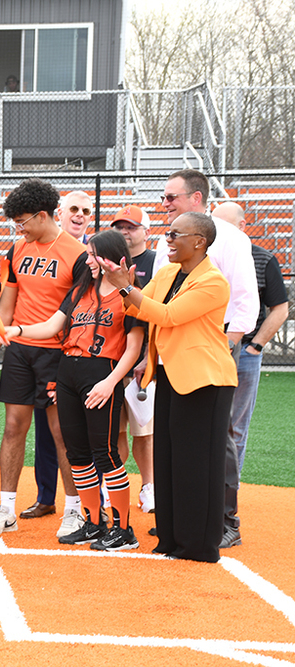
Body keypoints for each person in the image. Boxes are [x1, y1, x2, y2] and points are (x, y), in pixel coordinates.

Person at [102, 212, 238, 563]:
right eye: (168, 232)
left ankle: (198, 545)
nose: (169, 239)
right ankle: (171, 538)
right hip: (170, 375)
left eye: (176, 234)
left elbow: (168, 316)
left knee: (197, 463)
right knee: (169, 458)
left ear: (199, 242)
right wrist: (124, 288)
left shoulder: (213, 282)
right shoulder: (166, 273)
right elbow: (135, 308)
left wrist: (125, 287)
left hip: (206, 380)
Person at [6, 230, 145, 550]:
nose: (89, 260)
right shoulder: (81, 289)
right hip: (68, 370)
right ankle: (93, 522)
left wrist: (111, 383)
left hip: (102, 372)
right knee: (77, 453)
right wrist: (19, 329)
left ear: (113, 257)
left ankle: (123, 530)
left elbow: (133, 349)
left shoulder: (131, 294)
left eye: (95, 254)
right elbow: (53, 327)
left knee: (106, 453)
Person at [152, 169, 257, 549]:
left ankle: (223, 522)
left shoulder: (230, 242)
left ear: (195, 198)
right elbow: (150, 304)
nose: (164, 205)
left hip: (212, 358)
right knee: (175, 451)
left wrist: (232, 342)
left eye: (171, 197)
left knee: (215, 448)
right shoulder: (170, 260)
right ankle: (177, 529)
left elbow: (244, 298)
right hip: (172, 363)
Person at [0, 178, 88, 538]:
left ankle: (75, 510)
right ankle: (6, 508)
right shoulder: (16, 251)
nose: (19, 228)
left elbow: (77, 316)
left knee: (62, 434)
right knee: (13, 429)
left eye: (23, 221)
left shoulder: (77, 255)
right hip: (20, 351)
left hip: (58, 353)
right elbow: (5, 307)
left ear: (43, 215)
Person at [214, 201, 288, 538]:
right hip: (209, 348)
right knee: (213, 425)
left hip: (243, 350)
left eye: (227, 225)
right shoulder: (207, 256)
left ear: (243, 226)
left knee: (235, 427)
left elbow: (281, 308)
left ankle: (229, 501)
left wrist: (255, 345)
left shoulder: (262, 257)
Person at [24, 189, 96, 520]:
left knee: (85, 433)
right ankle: (46, 496)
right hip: (46, 351)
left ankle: (89, 501)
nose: (79, 215)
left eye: (85, 210)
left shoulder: (91, 253)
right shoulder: (39, 245)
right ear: (60, 213)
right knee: (47, 431)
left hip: (85, 356)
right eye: (73, 209)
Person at [111, 205, 156, 514]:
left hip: (142, 360)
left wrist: (150, 355)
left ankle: (149, 487)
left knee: (145, 432)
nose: (126, 232)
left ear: (146, 232)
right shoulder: (109, 260)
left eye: (132, 227)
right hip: (113, 356)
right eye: (121, 227)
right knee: (116, 432)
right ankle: (115, 484)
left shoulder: (156, 262)